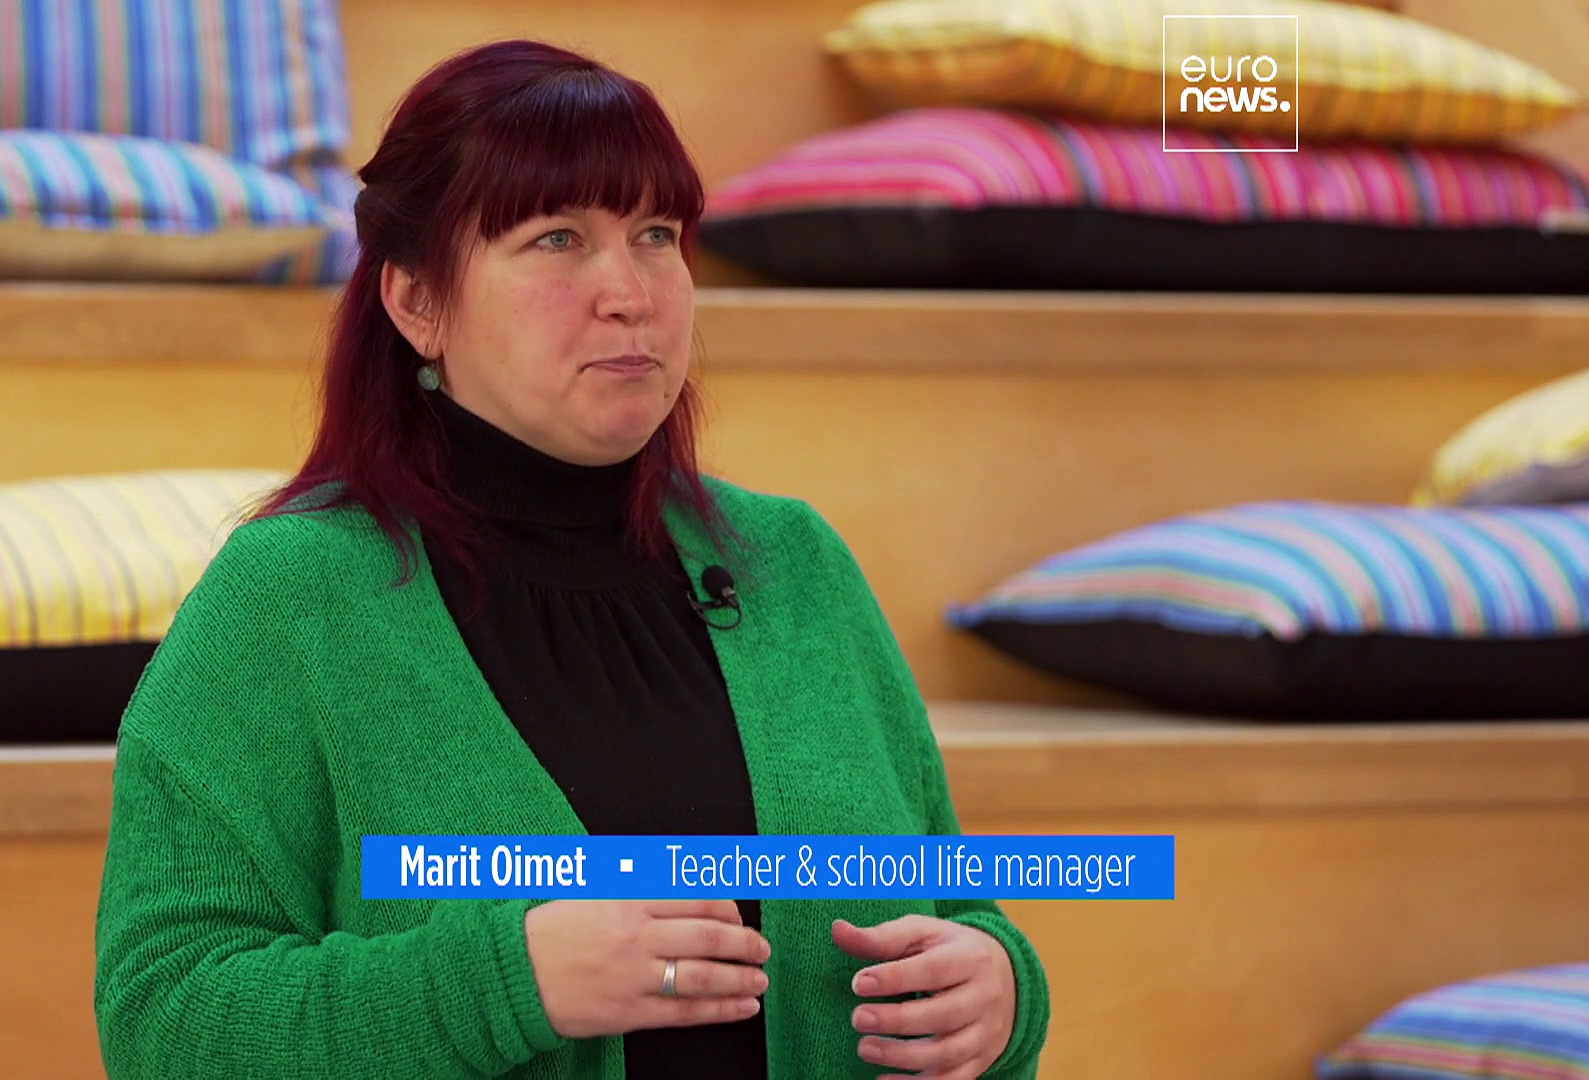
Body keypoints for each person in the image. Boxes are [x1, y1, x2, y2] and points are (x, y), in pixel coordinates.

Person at [92, 38, 1049, 1080]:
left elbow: (957, 908)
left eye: (655, 235)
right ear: (417, 303)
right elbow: (162, 1020)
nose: (631, 292)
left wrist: (999, 995)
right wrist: (508, 982)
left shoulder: (795, 563)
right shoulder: (287, 602)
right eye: (557, 239)